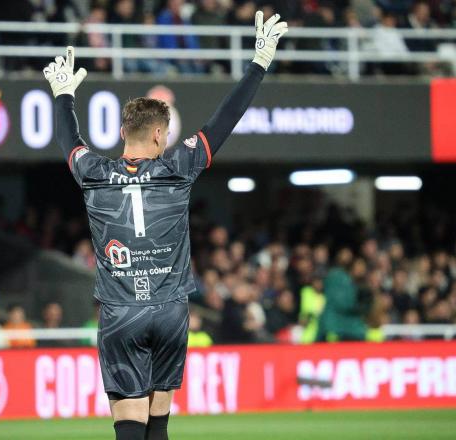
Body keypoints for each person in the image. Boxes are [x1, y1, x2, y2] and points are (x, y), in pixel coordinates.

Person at [42, 11, 287, 440]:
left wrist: (63, 95)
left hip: (121, 313)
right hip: (171, 311)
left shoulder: (94, 172)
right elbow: (223, 121)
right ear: (160, 136)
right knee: (158, 423)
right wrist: (259, 63)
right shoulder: (178, 165)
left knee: (129, 424)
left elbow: (70, 142)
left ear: (123, 132)